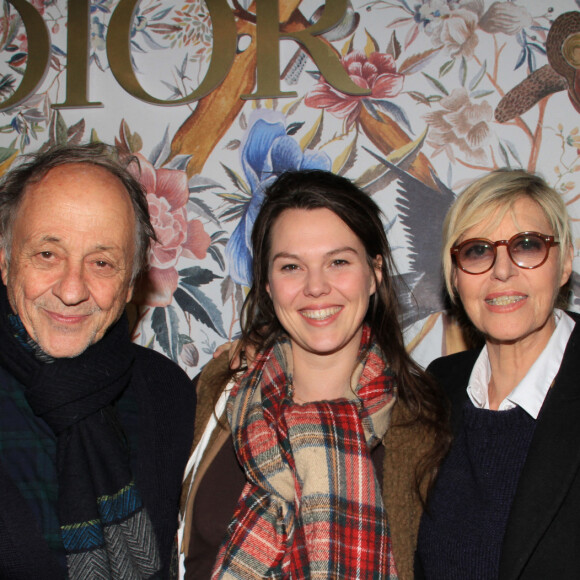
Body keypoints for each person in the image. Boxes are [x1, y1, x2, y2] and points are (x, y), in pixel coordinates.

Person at [178, 169, 450, 579]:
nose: (316, 287)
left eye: (338, 261)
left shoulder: (428, 424)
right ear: (267, 285)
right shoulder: (217, 390)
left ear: (375, 272)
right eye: (291, 267)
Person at [0, 143, 195, 579]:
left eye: (102, 263)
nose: (72, 290)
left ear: (130, 284)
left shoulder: (168, 394)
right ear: (5, 259)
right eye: (47, 254)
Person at [416, 169, 579, 579]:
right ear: (455, 277)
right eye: (477, 251)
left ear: (564, 264)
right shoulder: (439, 388)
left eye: (527, 245)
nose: (502, 271)